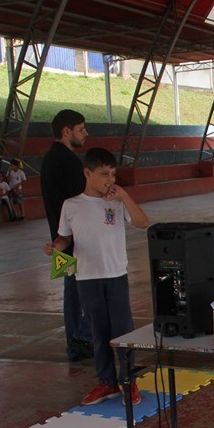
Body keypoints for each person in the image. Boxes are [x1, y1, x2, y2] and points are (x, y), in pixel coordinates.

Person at [42, 147, 149, 406]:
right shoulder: (72, 205)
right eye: (104, 174)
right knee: (98, 333)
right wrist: (56, 246)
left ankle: (128, 382)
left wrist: (124, 195)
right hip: (86, 278)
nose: (110, 180)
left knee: (123, 331)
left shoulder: (115, 202)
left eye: (113, 174)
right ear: (87, 173)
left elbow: (142, 221)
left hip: (115, 275)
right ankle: (107, 382)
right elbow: (65, 237)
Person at [41, 109, 94, 362]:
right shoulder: (67, 161)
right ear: (67, 131)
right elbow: (81, 200)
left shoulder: (51, 158)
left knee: (74, 292)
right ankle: (79, 341)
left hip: (62, 237)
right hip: (73, 239)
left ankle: (78, 340)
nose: (85, 134)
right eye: (81, 129)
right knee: (82, 292)